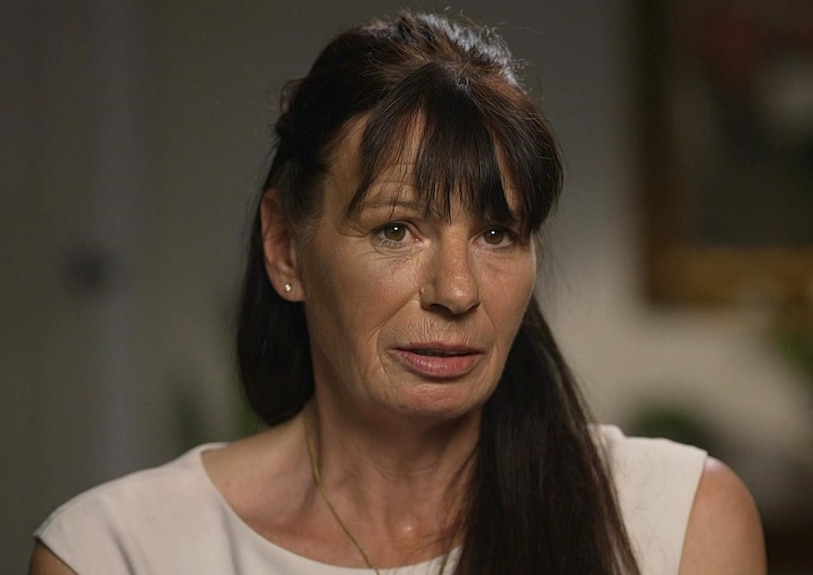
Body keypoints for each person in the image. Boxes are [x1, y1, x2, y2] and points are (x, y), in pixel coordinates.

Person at [29, 11, 766, 575]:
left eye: (497, 233)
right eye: (396, 230)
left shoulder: (677, 524)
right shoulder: (116, 552)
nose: (456, 290)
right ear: (285, 244)